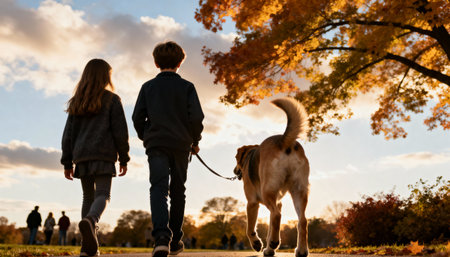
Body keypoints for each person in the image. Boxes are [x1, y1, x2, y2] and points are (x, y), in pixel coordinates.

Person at [132, 41, 204, 257]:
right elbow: (197, 118)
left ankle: (162, 237)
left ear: (156, 63)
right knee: (178, 191)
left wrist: (146, 135)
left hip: (156, 144)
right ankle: (175, 240)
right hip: (182, 145)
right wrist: (195, 140)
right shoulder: (188, 87)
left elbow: (137, 117)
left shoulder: (148, 87)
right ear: (181, 62)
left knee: (158, 188)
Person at [61, 59, 130, 257]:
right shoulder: (112, 99)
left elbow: (68, 134)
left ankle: (87, 247)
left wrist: (67, 162)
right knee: (103, 195)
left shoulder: (77, 102)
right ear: (105, 76)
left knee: (87, 197)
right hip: (104, 155)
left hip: (81, 156)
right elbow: (120, 132)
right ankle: (91, 220)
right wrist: (124, 158)